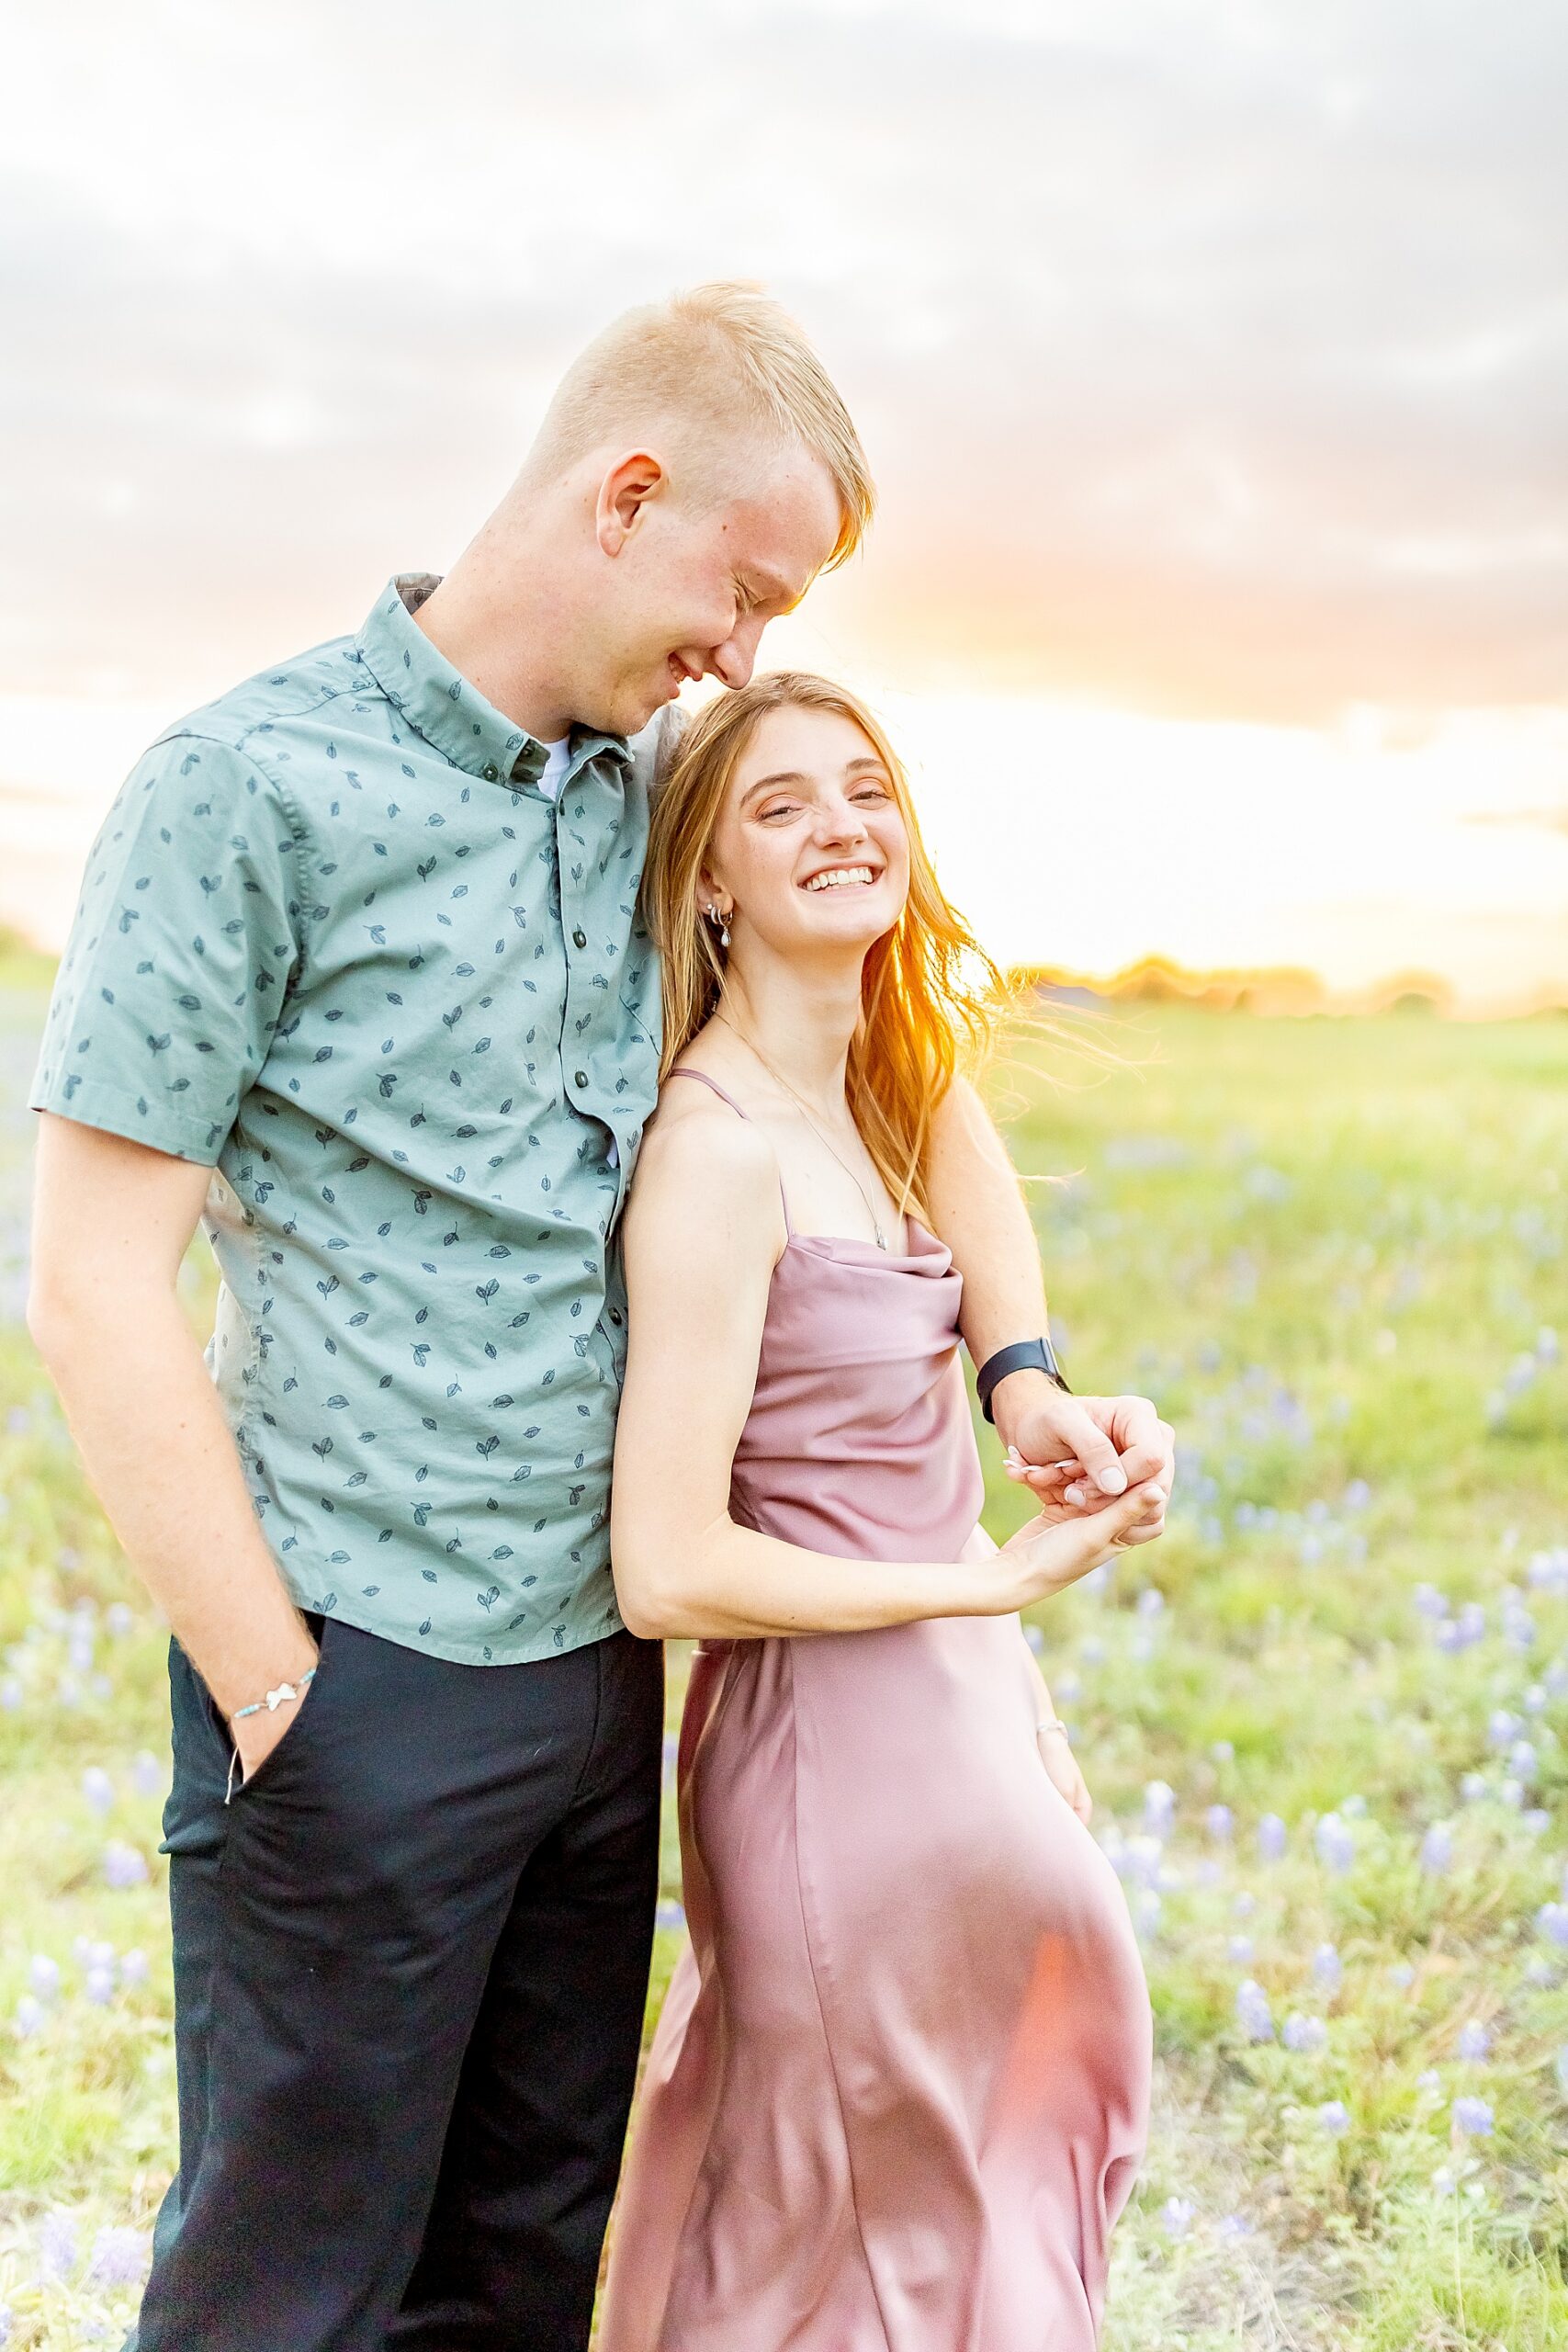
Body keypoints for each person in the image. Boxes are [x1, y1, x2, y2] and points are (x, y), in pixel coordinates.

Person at [23, 282, 1168, 2352]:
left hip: (618, 1677)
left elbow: (895, 1066)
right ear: (625, 494)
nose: (749, 652)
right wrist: (277, 1689)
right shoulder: (247, 788)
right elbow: (95, 1281)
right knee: (287, 2285)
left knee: (525, 2264)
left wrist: (1014, 1368)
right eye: (742, 590)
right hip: (357, 1668)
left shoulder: (665, 791)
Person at [597, 671, 1163, 2352]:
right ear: (710, 878)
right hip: (830, 1749)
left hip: (964, 1713)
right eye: (779, 806)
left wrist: (1058, 1410)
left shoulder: (900, 1083)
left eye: (864, 789)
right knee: (841, 2200)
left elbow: (1003, 1324)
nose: (840, 825)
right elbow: (665, 1565)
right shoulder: (714, 1152)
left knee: (1022, 2114)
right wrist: (980, 1594)